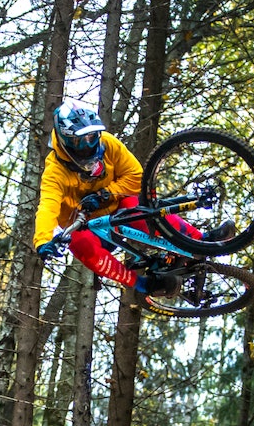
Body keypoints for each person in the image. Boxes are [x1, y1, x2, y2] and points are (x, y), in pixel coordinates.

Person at [33, 98, 234, 297]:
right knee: (81, 245)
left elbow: (137, 176)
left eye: (92, 137)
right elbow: (48, 207)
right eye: (79, 141)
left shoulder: (107, 143)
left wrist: (105, 194)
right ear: (65, 140)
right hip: (85, 225)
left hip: (116, 207)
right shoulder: (55, 172)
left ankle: (200, 241)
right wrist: (42, 242)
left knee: (138, 207)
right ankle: (144, 285)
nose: (87, 145)